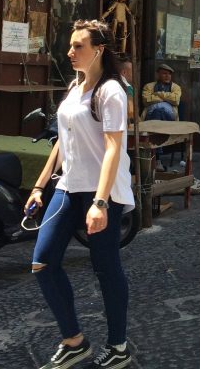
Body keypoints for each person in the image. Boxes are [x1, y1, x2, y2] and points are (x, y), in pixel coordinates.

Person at [26, 19, 135, 369]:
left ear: (98, 50)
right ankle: (74, 340)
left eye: (78, 46)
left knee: (105, 268)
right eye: (71, 45)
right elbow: (61, 142)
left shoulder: (112, 91)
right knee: (43, 261)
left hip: (103, 192)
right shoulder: (75, 88)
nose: (70, 52)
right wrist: (40, 186)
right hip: (69, 186)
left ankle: (118, 345)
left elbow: (113, 149)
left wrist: (100, 202)